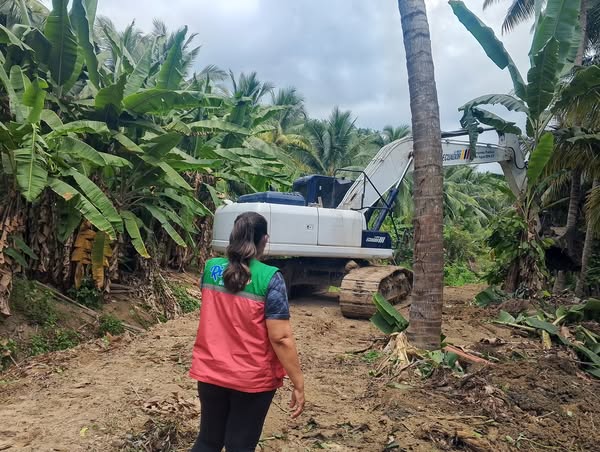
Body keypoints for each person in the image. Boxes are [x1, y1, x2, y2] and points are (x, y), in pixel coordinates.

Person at [189, 212, 305, 452]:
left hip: (211, 372)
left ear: (233, 237)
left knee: (208, 441)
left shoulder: (210, 269)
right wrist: (298, 382)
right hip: (251, 378)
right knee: (240, 445)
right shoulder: (270, 278)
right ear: (264, 240)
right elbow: (281, 338)